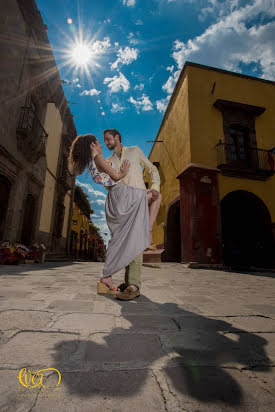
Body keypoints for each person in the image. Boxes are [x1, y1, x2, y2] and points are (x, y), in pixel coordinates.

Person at [68, 133, 152, 301]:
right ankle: (122, 281)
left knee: (125, 238)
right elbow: (116, 177)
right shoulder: (99, 158)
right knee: (134, 236)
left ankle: (115, 279)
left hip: (115, 200)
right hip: (124, 197)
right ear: (92, 145)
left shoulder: (94, 163)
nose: (101, 145)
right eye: (98, 142)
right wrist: (123, 172)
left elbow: (107, 183)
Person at [100, 128, 162, 300]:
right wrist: (119, 175)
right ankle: (126, 282)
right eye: (104, 140)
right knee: (123, 241)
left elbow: (152, 169)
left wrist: (155, 188)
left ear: (117, 137)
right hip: (121, 205)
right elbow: (107, 185)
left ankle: (133, 285)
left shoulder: (134, 151)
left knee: (135, 239)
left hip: (138, 200)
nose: (106, 142)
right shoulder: (108, 160)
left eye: (108, 139)